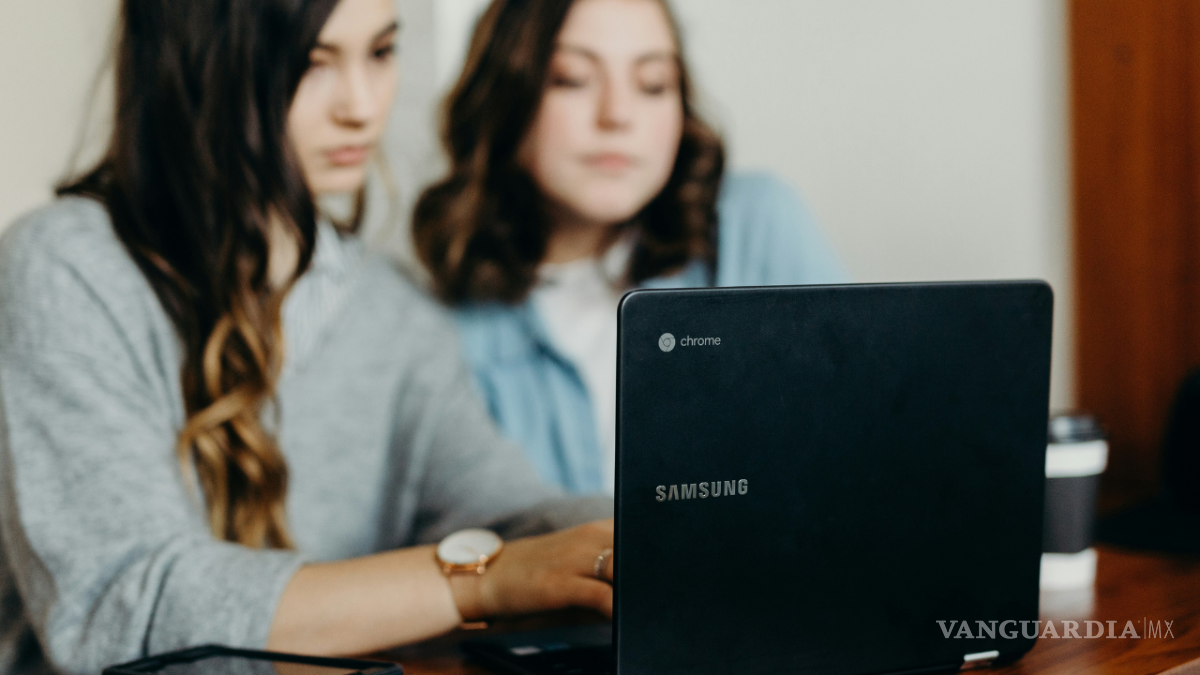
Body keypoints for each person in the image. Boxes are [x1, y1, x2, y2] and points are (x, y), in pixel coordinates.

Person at [0, 1, 616, 674]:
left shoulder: (393, 310)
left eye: (380, 53)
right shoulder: (65, 266)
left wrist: (658, 529)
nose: (361, 105)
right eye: (312, 63)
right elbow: (123, 607)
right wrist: (480, 581)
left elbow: (514, 520)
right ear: (202, 67)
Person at [412, 0, 849, 495]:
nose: (617, 115)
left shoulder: (756, 226)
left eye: (653, 84)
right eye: (571, 78)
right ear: (502, 95)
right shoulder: (437, 327)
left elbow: (860, 452)